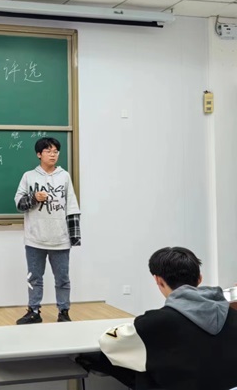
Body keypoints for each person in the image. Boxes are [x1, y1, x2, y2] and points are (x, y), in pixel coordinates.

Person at [80, 247, 237, 390]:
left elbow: (108, 343)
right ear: (200, 279)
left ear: (158, 280)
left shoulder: (154, 324)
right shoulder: (232, 315)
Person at [14, 137, 81, 324]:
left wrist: (74, 237)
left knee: (63, 279)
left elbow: (72, 206)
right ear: (39, 154)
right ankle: (34, 311)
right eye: (48, 151)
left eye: (56, 151)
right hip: (35, 238)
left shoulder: (64, 176)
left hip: (60, 238)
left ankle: (64, 312)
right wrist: (34, 197)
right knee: (34, 278)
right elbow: (19, 204)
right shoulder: (29, 176)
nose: (53, 155)